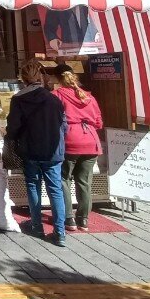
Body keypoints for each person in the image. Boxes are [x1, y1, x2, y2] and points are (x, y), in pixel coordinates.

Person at [4, 59, 67, 247]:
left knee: (33, 185)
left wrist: (9, 137)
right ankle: (60, 232)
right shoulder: (53, 99)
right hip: (53, 150)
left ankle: (37, 225)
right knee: (55, 189)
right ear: (40, 77)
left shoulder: (18, 99)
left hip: (30, 149)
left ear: (23, 79)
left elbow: (13, 127)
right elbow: (64, 125)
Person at [50, 63, 103, 232]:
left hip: (69, 141)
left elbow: (52, 119)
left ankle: (68, 218)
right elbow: (99, 123)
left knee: (63, 179)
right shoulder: (89, 97)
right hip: (91, 141)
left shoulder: (56, 95)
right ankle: (83, 219)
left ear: (57, 79)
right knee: (84, 182)